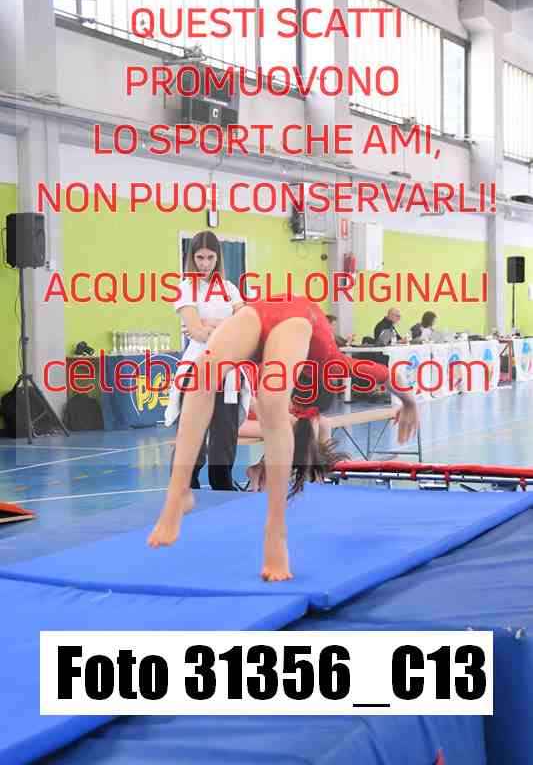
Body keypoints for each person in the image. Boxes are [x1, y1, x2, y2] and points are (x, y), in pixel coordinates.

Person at [149, 294, 419, 582]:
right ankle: (180, 493)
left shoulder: (290, 387)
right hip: (297, 317)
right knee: (232, 386)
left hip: (268, 314)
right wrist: (410, 403)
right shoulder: (334, 363)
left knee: (224, 381)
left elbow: (382, 377)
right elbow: (384, 374)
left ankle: (274, 533)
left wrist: (408, 402)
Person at [164, 230, 248, 490]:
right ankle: (184, 482)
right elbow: (197, 332)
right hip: (197, 367)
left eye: (210, 258)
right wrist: (225, 328)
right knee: (193, 430)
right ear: (191, 258)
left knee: (225, 431)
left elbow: (246, 327)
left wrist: (210, 324)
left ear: (218, 258)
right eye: (200, 258)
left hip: (227, 369)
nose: (205, 264)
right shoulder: (185, 288)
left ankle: (222, 482)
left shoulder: (230, 289)